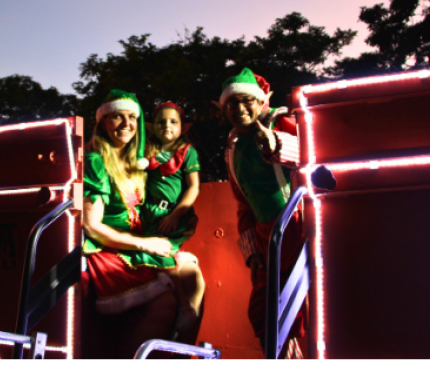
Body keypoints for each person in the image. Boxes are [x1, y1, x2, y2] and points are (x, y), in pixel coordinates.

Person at [82, 90, 198, 353]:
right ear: (102, 122)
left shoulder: (136, 162)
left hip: (136, 244)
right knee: (165, 304)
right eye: (117, 116)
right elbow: (92, 226)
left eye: (132, 117)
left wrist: (185, 217)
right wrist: (145, 244)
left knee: (192, 276)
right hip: (109, 249)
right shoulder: (95, 161)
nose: (126, 124)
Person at [214, 68, 306, 358]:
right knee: (263, 314)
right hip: (268, 243)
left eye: (246, 101)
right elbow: (244, 203)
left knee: (301, 311)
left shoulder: (282, 121)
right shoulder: (233, 148)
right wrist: (252, 251)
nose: (239, 108)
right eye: (231, 103)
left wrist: (277, 144)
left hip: (300, 231)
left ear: (261, 101)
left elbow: (313, 152)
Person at [137, 102, 205, 334]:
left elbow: (193, 187)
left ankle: (185, 306)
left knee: (161, 252)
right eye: (161, 122)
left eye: (173, 121)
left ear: (183, 128)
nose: (167, 126)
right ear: (152, 126)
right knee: (148, 253)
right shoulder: (148, 153)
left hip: (173, 214)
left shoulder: (187, 151)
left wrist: (177, 215)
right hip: (148, 214)